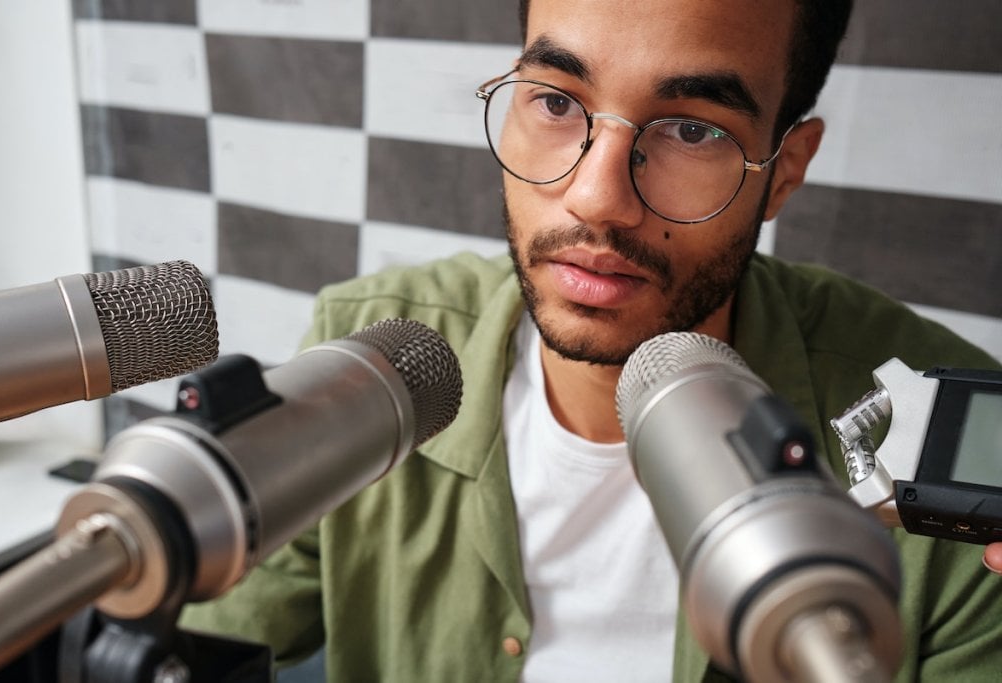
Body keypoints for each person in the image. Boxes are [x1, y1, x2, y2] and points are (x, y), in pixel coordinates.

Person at [180, 0, 1002, 680]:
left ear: (783, 170)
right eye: (557, 102)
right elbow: (205, 632)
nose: (595, 197)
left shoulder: (942, 444)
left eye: (691, 129)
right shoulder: (371, 358)